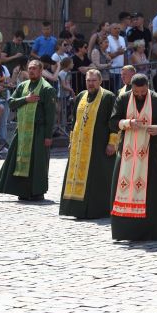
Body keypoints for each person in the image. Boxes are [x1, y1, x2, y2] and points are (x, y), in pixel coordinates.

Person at [109, 73, 157, 241]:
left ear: (148, 87)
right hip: (127, 154)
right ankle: (125, 232)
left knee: (154, 191)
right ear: (132, 88)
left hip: (151, 153)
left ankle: (155, 232)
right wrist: (127, 123)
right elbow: (112, 122)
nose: (140, 96)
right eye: (137, 93)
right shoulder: (123, 99)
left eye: (143, 92)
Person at [0, 60, 57, 201]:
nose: (32, 71)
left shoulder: (47, 89)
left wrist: (48, 136)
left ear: (40, 71)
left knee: (37, 163)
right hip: (21, 130)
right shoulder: (22, 86)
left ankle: (37, 192)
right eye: (30, 69)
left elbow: (50, 115)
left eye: (34, 69)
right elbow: (11, 103)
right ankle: (21, 190)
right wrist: (26, 99)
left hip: (38, 131)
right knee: (17, 161)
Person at [60, 69, 118, 219]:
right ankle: (75, 209)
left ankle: (97, 210)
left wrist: (112, 143)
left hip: (99, 145)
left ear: (100, 81)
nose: (90, 83)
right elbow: (75, 121)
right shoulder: (81, 96)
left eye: (93, 80)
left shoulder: (108, 97)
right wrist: (71, 140)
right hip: (79, 146)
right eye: (88, 80)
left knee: (97, 178)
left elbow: (113, 122)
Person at [107, 23, 127, 91]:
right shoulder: (108, 39)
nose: (117, 30)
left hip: (121, 70)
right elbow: (108, 55)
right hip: (112, 70)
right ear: (110, 30)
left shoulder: (122, 38)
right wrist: (118, 53)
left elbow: (124, 53)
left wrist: (125, 67)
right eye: (115, 28)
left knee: (120, 91)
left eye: (118, 28)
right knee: (113, 90)